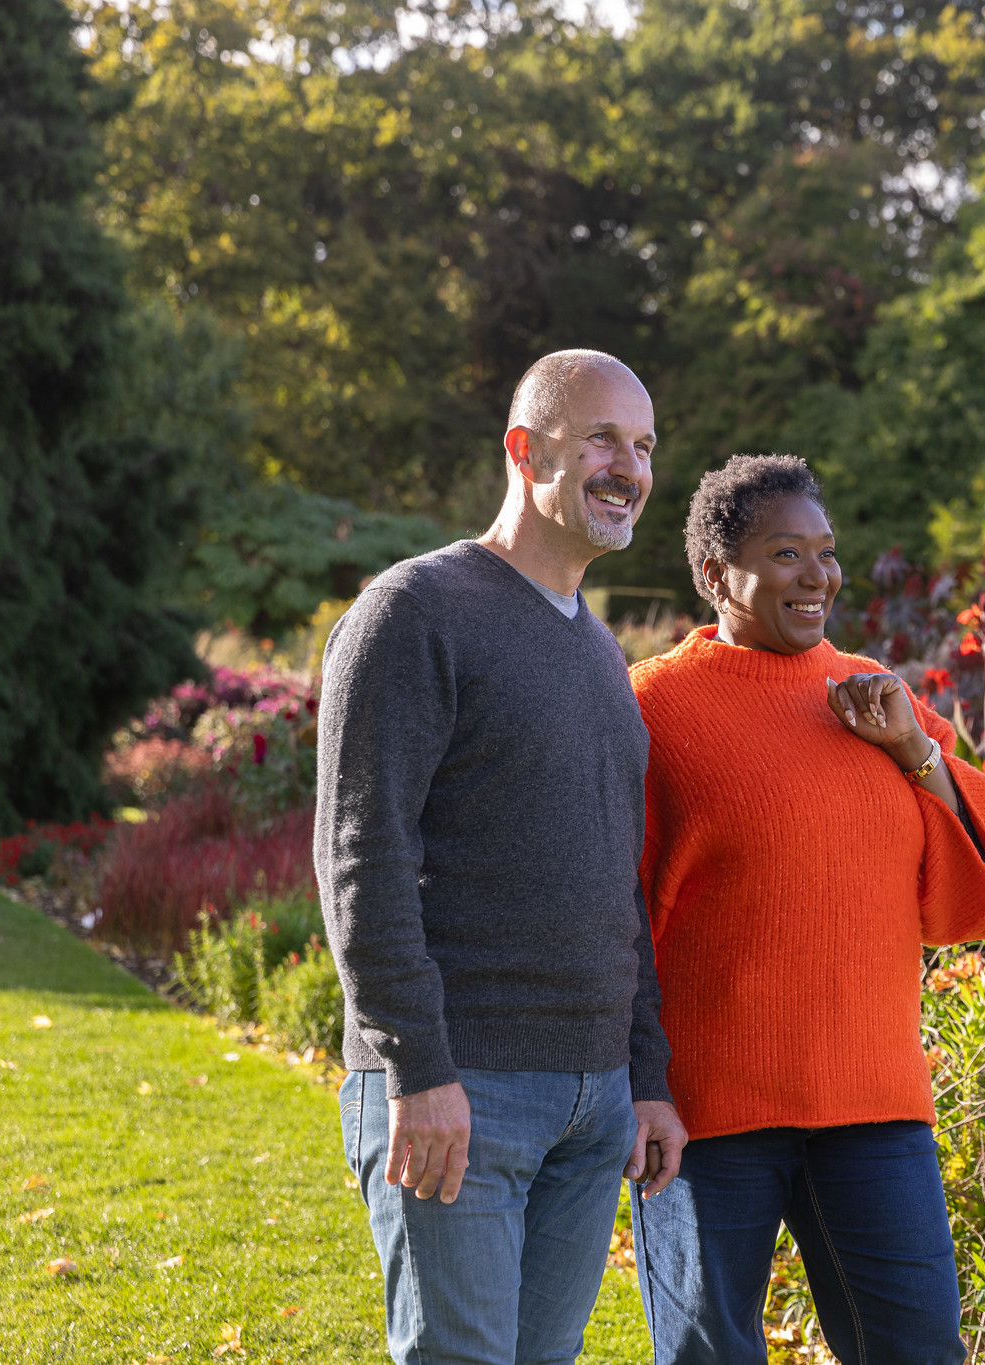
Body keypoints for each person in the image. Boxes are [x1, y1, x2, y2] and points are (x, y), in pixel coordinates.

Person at [315, 349, 689, 1365]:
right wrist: (416, 1067)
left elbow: (620, 878)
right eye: (603, 438)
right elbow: (361, 854)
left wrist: (642, 1074)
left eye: (645, 446)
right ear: (524, 451)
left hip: (591, 1098)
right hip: (462, 1085)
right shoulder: (416, 611)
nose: (630, 468)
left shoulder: (599, 653)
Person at [627, 454, 985, 1364]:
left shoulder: (875, 696)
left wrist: (912, 752)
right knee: (709, 1354)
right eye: (785, 553)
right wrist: (642, 1085)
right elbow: (616, 914)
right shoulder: (651, 708)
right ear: (714, 575)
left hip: (872, 1103)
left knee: (919, 1347)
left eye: (826, 551)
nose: (817, 576)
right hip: (706, 1113)